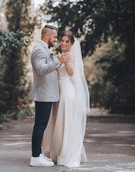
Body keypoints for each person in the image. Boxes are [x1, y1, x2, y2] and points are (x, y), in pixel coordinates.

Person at [43, 30, 90, 168]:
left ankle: (65, 154)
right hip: (58, 93)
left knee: (66, 123)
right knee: (58, 122)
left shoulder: (70, 55)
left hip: (67, 93)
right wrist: (58, 60)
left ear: (71, 43)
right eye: (62, 40)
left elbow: (70, 73)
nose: (63, 43)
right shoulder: (61, 55)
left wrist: (64, 61)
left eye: (66, 41)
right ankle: (56, 152)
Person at [29, 24, 63, 167]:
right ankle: (35, 157)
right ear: (47, 36)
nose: (56, 40)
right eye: (54, 37)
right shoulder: (39, 49)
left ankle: (39, 154)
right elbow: (40, 70)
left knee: (41, 125)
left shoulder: (44, 49)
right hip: (43, 94)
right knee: (40, 125)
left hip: (46, 94)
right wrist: (57, 62)